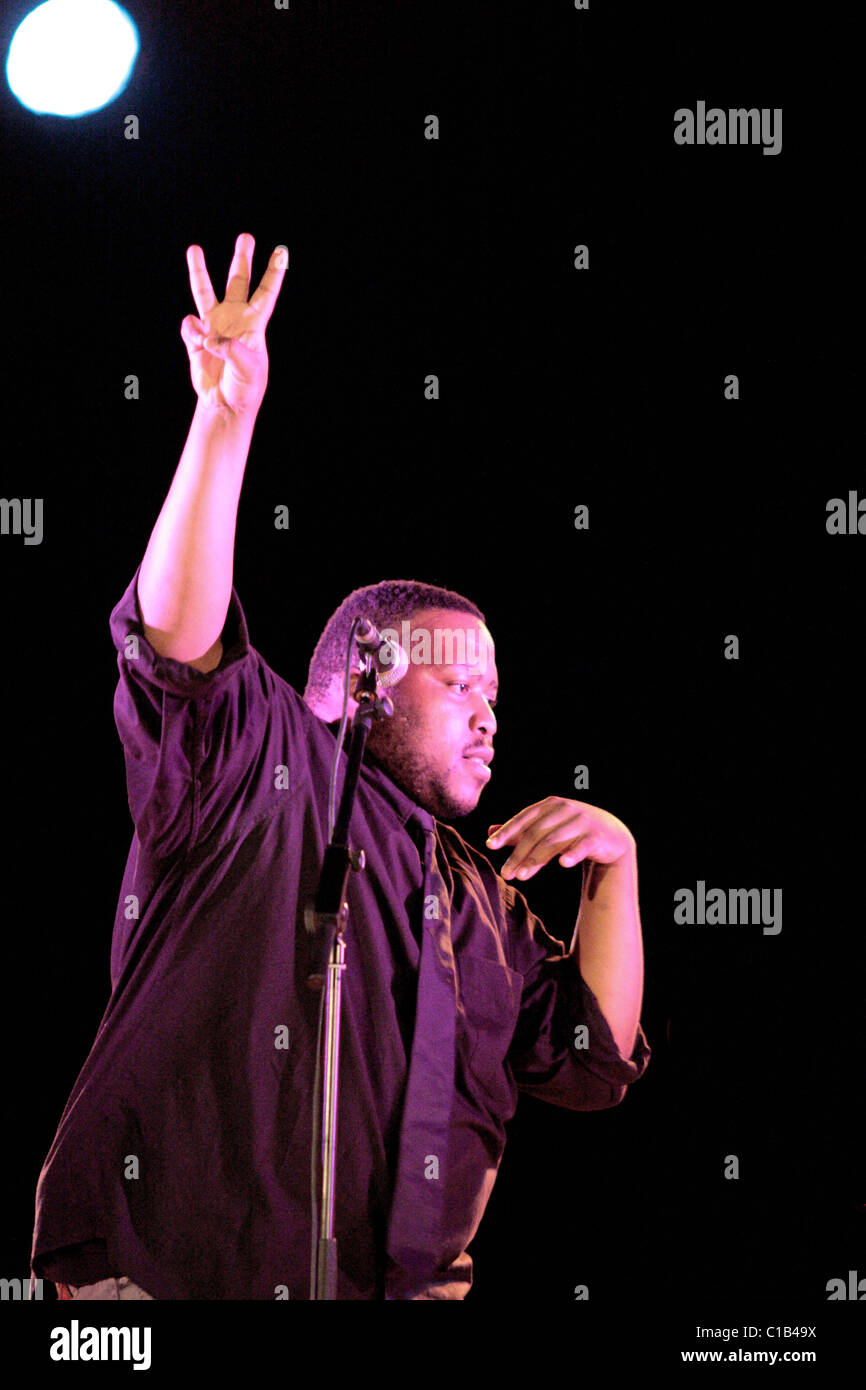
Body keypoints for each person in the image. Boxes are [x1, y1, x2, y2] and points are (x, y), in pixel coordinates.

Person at [30, 234, 651, 1301]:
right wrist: (222, 423)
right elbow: (177, 644)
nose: (489, 717)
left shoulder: (478, 901)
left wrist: (617, 868)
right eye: (461, 685)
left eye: (496, 696)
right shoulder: (262, 770)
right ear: (364, 678)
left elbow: (592, 1059)